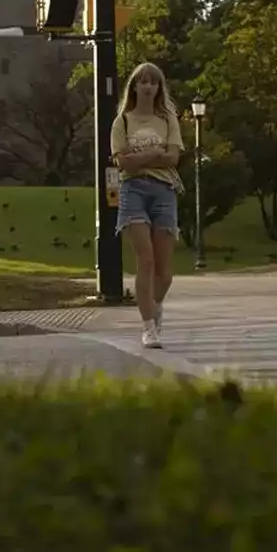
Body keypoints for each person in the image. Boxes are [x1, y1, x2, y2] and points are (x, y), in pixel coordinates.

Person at [110, 61, 184, 349]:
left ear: (159, 87)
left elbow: (173, 158)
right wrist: (155, 152)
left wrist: (141, 157)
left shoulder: (167, 119)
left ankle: (155, 305)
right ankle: (148, 327)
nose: (148, 86)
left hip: (164, 190)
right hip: (133, 191)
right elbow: (121, 162)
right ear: (134, 86)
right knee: (146, 260)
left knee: (165, 271)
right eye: (143, 81)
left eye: (153, 82)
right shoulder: (123, 121)